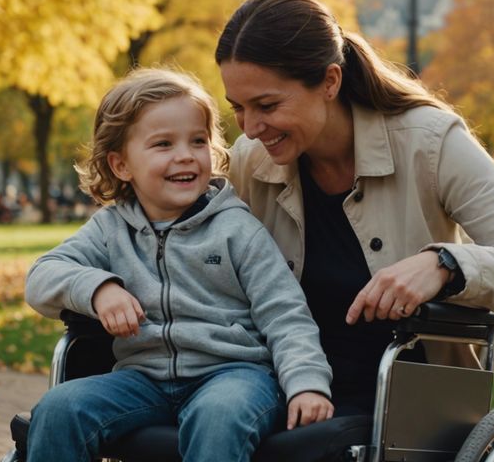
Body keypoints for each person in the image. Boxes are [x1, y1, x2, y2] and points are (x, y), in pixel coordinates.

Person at [217, 0, 494, 416]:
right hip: (285, 389)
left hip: (407, 399)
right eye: (237, 108)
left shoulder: (430, 143)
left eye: (267, 105)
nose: (251, 128)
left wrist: (445, 265)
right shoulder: (248, 161)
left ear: (330, 82)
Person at [24, 68, 334, 462]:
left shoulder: (237, 229)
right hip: (143, 380)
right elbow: (42, 275)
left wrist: (307, 384)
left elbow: (286, 315)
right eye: (163, 144)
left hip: (234, 375)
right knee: (59, 408)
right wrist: (100, 289)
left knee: (218, 416)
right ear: (121, 165)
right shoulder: (112, 228)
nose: (185, 155)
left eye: (198, 141)